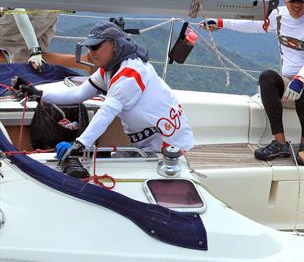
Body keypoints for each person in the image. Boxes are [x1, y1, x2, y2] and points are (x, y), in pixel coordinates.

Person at [17, 22, 194, 160]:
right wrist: (38, 94)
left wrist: (80, 145)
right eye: (89, 47)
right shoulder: (109, 69)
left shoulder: (130, 73)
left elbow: (107, 112)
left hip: (171, 148)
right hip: (147, 146)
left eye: (96, 47)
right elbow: (78, 94)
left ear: (115, 46)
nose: (91, 53)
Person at [202, 0, 304, 160]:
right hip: (290, 83)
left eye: (301, 1)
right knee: (267, 77)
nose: (296, 5)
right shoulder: (279, 15)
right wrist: (221, 22)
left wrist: (300, 78)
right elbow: (254, 24)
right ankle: (280, 143)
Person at [0, 9, 85, 71]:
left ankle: (86, 62)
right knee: (31, 61)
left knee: (28, 59)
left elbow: (16, 7)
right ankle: (87, 62)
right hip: (49, 8)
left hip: (25, 11)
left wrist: (34, 50)